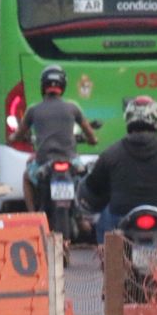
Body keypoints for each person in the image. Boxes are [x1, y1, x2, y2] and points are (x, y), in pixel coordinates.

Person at [82, 95, 157, 241]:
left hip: (119, 216)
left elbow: (93, 185)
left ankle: (108, 258)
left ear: (128, 118)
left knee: (103, 216)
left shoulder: (111, 153)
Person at [22, 65, 98, 210]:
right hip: (71, 162)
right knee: (83, 178)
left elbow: (18, 135)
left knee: (27, 176)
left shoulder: (33, 110)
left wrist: (14, 137)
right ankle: (81, 215)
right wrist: (92, 140)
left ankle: (34, 215)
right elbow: (92, 137)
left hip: (43, 163)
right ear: (63, 86)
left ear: (43, 86)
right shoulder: (73, 108)